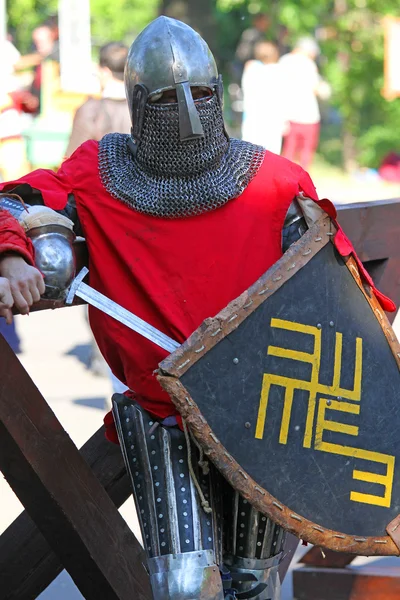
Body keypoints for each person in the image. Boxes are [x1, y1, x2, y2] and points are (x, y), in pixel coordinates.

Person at [0, 17, 394, 600]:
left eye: (200, 94)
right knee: (185, 587)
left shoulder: (277, 184)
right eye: (164, 98)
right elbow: (14, 202)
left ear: (218, 97)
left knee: (255, 585)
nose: (185, 111)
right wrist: (14, 257)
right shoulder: (99, 176)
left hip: (264, 418)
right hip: (164, 417)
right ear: (137, 104)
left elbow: (343, 308)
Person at [65, 42, 130, 157]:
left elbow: (72, 162)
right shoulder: (146, 108)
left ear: (104, 71)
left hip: (100, 174)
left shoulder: (91, 110)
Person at [279, 37, 331, 170]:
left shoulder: (284, 61)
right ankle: (302, 185)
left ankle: (285, 182)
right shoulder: (308, 64)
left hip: (289, 114)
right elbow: (317, 89)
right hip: (308, 115)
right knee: (306, 153)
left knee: (288, 151)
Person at [241, 41, 287, 154]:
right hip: (273, 120)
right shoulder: (279, 71)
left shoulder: (251, 68)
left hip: (252, 118)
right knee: (272, 156)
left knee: (250, 157)